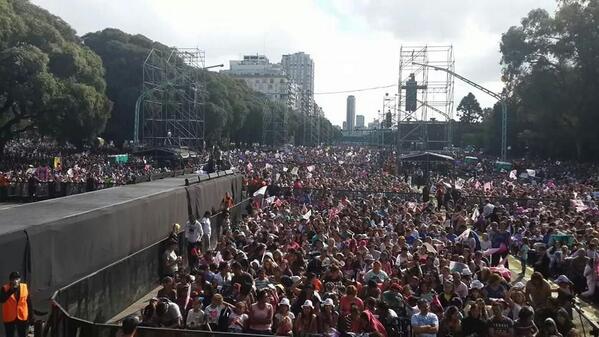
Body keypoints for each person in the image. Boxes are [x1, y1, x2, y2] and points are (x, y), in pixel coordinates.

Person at [1, 272, 31, 337]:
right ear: (10, 280)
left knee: (22, 334)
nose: (15, 280)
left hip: (22, 316)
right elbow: (2, 300)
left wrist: (31, 316)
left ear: (20, 279)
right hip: (9, 316)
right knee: (10, 335)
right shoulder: (5, 288)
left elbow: (28, 302)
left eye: (17, 278)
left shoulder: (24, 287)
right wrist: (11, 291)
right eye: (13, 279)